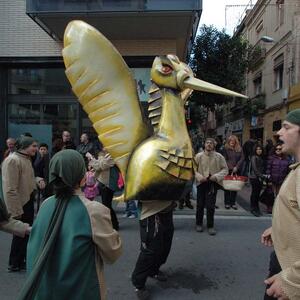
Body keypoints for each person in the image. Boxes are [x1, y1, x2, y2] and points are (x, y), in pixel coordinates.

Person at [18, 149, 122, 300]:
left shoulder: (46, 204)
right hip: (82, 291)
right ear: (83, 178)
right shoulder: (94, 210)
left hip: (44, 290)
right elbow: (113, 253)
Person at [261, 109, 300, 300]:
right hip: (284, 262)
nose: (278, 133)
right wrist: (277, 228)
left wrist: (292, 281)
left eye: (286, 127)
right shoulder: (297, 168)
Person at [1, 135, 45, 272]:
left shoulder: (25, 159)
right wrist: (15, 210)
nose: (36, 149)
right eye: (33, 146)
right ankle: (14, 262)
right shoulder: (13, 161)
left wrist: (37, 180)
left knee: (25, 233)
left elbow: (27, 178)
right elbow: (10, 188)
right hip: (20, 204)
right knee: (19, 233)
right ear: (25, 146)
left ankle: (20, 261)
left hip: (27, 201)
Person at [131, 200, 175, 300]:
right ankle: (139, 284)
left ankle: (153, 270)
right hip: (150, 213)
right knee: (150, 250)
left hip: (167, 209)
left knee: (164, 245)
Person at [194, 138, 228, 235]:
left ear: (214, 145)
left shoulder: (219, 156)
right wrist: (199, 177)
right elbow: (193, 169)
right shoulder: (198, 156)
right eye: (207, 143)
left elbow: (225, 169)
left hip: (212, 184)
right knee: (200, 204)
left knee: (210, 206)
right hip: (201, 183)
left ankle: (210, 226)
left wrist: (216, 177)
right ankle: (198, 223)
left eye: (211, 143)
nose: (209, 144)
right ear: (204, 144)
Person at [87, 150, 120, 230]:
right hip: (103, 182)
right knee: (106, 205)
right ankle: (112, 224)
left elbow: (100, 166)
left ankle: (114, 224)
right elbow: (98, 166)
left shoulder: (113, 154)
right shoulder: (103, 154)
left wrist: (91, 159)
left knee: (107, 205)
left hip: (108, 183)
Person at [223, 135, 244, 210]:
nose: (232, 142)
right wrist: (231, 167)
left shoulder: (239, 149)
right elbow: (224, 159)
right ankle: (227, 202)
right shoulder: (226, 148)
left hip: (237, 170)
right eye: (230, 140)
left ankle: (233, 202)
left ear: (236, 141)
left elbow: (242, 158)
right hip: (228, 170)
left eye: (233, 140)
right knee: (227, 187)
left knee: (235, 187)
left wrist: (237, 167)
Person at [249, 145, 265, 217]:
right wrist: (262, 176)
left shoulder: (261, 157)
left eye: (260, 149)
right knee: (255, 193)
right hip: (254, 177)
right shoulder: (253, 157)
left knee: (257, 194)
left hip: (259, 178)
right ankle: (253, 208)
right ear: (255, 150)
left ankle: (256, 208)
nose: (259, 150)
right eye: (257, 149)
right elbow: (255, 169)